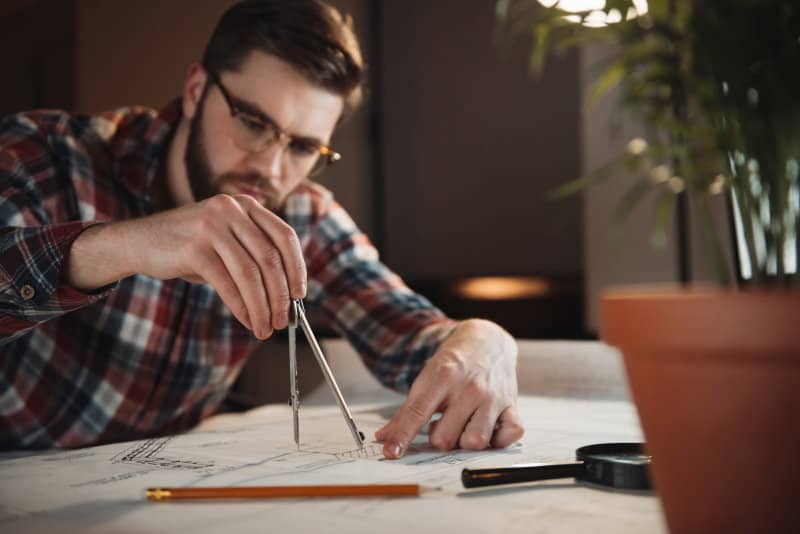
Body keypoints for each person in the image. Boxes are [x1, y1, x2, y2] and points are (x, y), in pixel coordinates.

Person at [0, 0, 523, 456]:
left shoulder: (303, 217)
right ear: (196, 87)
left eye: (300, 147)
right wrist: (120, 246)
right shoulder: (47, 155)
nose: (271, 171)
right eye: (253, 123)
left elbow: (409, 336)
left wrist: (483, 339)